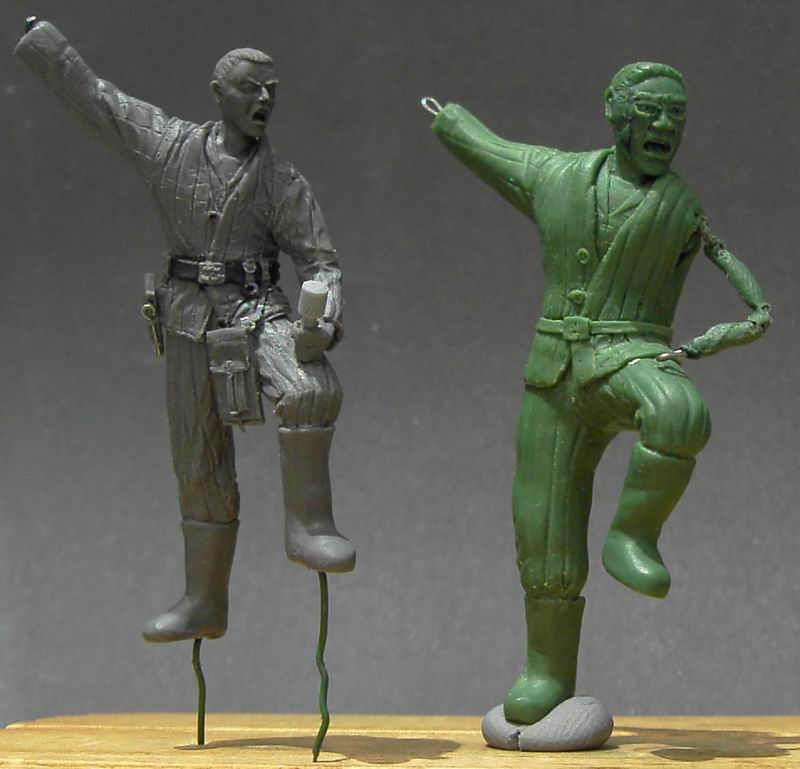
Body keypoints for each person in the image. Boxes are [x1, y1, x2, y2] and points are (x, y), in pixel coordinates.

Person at [427, 63, 771, 730]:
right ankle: (547, 672)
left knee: (679, 411)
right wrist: (449, 122)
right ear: (616, 113)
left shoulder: (680, 208)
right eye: (651, 111)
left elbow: (745, 290)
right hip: (554, 370)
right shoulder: (558, 176)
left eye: (676, 115)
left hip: (630, 356)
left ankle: (634, 534)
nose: (665, 126)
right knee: (543, 532)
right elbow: (494, 152)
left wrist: (715, 338)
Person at [15, 19, 355, 644]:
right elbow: (99, 100)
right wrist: (45, 44)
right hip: (187, 319)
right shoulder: (168, 147)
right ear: (218, 93)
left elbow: (321, 262)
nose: (263, 100)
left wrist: (322, 320)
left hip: (257, 310)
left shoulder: (281, 182)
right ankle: (204, 601)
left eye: (272, 90)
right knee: (198, 458)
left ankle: (309, 526)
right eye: (250, 88)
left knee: (310, 387)